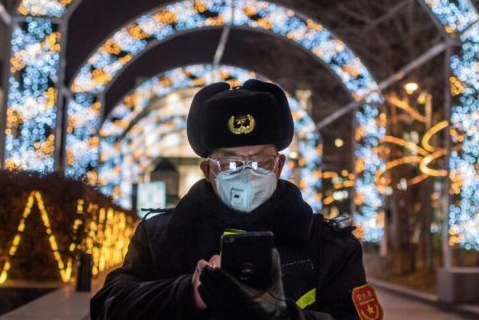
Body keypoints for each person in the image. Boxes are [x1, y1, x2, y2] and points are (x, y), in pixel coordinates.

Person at [90, 79, 383, 320]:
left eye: (259, 162)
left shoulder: (329, 245)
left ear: (278, 165)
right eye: (230, 164)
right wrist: (187, 293)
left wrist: (279, 315)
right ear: (207, 169)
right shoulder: (159, 237)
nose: (247, 173)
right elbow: (108, 307)